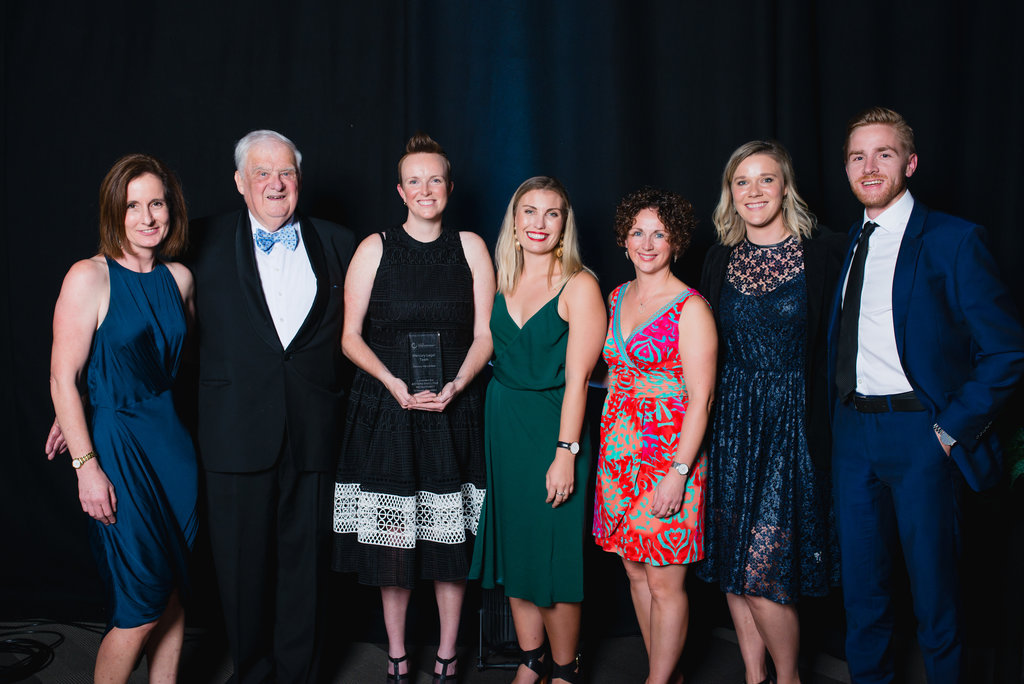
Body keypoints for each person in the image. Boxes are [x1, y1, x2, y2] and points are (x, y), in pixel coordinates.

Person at [829, 107, 1024, 684]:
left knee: (935, 597)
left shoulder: (954, 240)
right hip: (853, 435)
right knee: (862, 595)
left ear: (910, 164)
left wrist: (950, 429)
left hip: (921, 434)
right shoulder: (848, 243)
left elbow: (1007, 350)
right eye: (858, 156)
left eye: (884, 154)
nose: (869, 167)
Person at [188, 130, 355, 683]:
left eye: (286, 172)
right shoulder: (199, 239)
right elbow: (138, 295)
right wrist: (81, 393)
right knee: (241, 572)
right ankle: (253, 674)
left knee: (308, 570)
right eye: (262, 173)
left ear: (299, 180)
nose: (276, 184)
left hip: (314, 430)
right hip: (234, 431)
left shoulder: (339, 242)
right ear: (240, 182)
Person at [332, 133, 494, 683]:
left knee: (451, 543)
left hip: (454, 410)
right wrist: (391, 381)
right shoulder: (374, 248)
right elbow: (350, 337)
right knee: (392, 545)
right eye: (415, 181)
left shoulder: (471, 247)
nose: (426, 190)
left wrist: (458, 384)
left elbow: (485, 334)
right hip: (388, 410)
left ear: (450, 187)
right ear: (401, 191)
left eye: (436, 179)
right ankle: (397, 654)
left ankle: (448, 654)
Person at [697, 141, 845, 684]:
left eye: (766, 179)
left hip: (793, 426)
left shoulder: (825, 252)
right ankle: (754, 676)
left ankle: (788, 678)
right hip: (732, 424)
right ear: (730, 193)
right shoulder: (718, 258)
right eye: (742, 181)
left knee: (764, 570)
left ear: (785, 188)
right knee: (734, 563)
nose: (754, 191)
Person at [47, 153, 198, 683]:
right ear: (115, 211)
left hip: (173, 448)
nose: (147, 217)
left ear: (171, 209)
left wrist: (79, 406)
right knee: (140, 606)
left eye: (157, 203)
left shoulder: (180, 279)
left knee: (173, 589)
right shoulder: (88, 276)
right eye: (133, 206)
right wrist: (85, 464)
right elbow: (62, 377)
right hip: (118, 448)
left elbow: (178, 367)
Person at [471, 176, 605, 684]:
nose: (539, 223)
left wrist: (565, 452)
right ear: (514, 221)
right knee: (518, 550)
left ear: (564, 225)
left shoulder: (580, 285)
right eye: (529, 211)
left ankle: (566, 668)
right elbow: (488, 346)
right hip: (504, 427)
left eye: (552, 213)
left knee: (553, 556)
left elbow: (579, 381)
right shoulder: (502, 280)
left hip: (553, 428)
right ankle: (532, 660)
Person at [593, 187, 717, 684]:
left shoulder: (691, 309)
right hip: (617, 453)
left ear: (676, 242)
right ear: (624, 239)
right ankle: (664, 673)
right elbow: (613, 373)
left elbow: (702, 400)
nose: (647, 244)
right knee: (634, 571)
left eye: (659, 234)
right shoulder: (616, 296)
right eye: (638, 232)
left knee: (665, 580)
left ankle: (658, 681)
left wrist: (678, 474)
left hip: (668, 455)